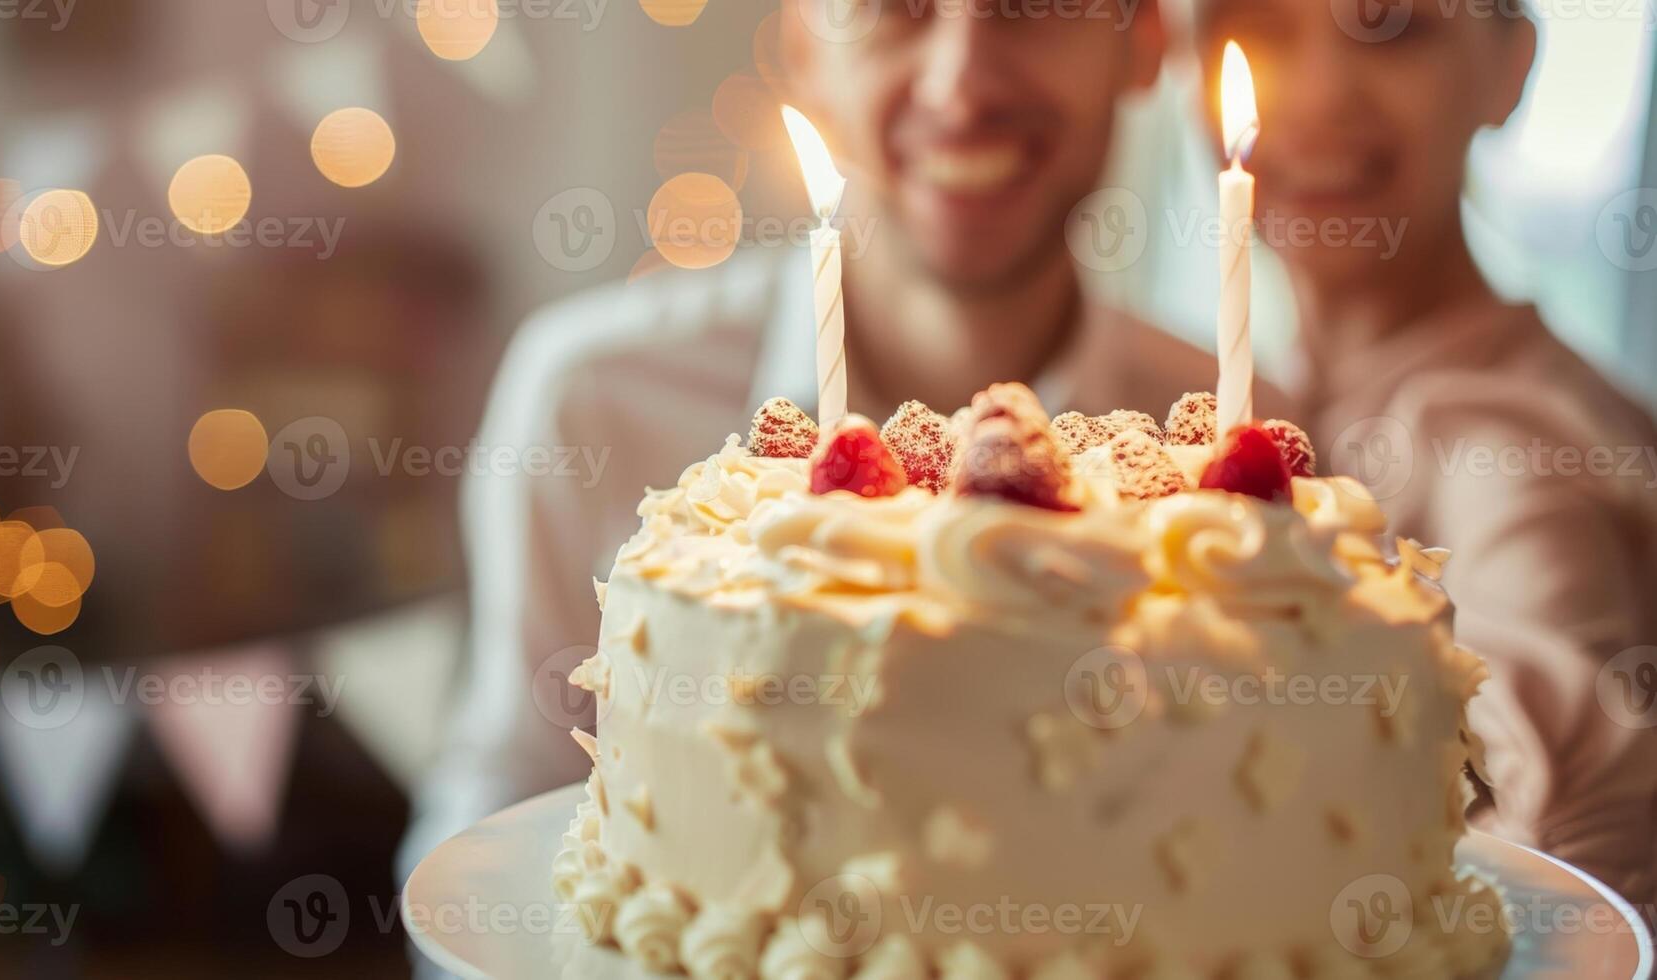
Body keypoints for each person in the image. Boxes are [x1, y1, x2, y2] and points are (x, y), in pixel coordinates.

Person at [401, 0, 1280, 881]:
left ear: (1144, 43)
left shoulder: (1237, 453)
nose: (961, 82)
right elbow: (506, 803)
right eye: (895, 11)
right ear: (804, 51)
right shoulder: (596, 401)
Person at [1191, 0, 1657, 908]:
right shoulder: (1237, 403)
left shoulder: (1518, 449)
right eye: (1259, 23)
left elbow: (1567, 876)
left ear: (1510, 66)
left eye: (1391, 26)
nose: (1321, 95)